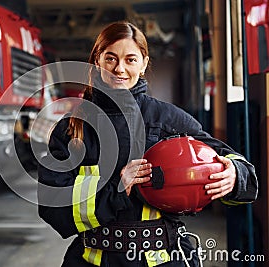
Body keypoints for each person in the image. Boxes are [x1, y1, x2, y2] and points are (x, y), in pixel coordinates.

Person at [37, 21, 258, 267]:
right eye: (110, 58)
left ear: (143, 64)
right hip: (91, 261)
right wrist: (117, 189)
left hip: (166, 260)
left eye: (130, 59)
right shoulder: (71, 128)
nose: (119, 68)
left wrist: (234, 173)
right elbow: (52, 207)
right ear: (97, 61)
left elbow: (240, 166)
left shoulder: (170, 120)